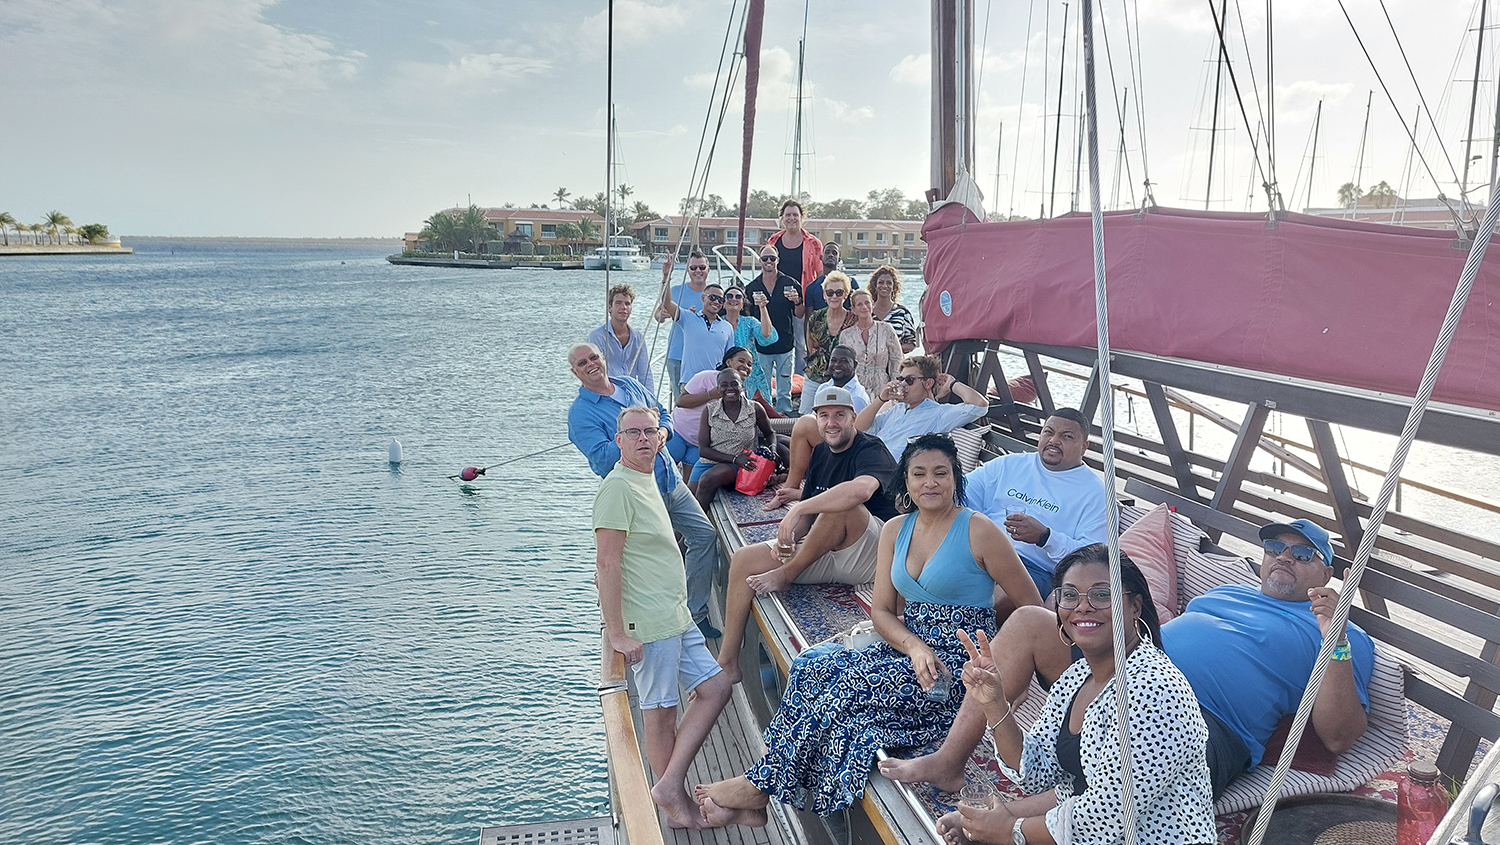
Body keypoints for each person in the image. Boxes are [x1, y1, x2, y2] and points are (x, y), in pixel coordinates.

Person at [879, 518, 1376, 805]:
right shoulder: (1226, 591)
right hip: (1123, 671)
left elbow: (1338, 734)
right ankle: (949, 760)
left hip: (1199, 720)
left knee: (1123, 775)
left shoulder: (1339, 630)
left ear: (1328, 572)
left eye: (1302, 553)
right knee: (1032, 618)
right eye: (1275, 547)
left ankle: (1021, 819)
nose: (1284, 557)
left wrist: (1334, 638)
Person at [694, 435, 1043, 826]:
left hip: (956, 665)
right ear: (905, 482)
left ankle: (757, 789)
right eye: (919, 474)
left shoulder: (979, 531)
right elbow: (881, 611)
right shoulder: (895, 530)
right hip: (908, 645)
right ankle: (761, 789)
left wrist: (994, 652)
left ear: (955, 478)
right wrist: (913, 646)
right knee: (812, 667)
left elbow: (1032, 607)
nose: (930, 483)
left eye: (940, 473)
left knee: (843, 696)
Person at [942, 545, 1216, 845]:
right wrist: (995, 704)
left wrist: (1011, 830)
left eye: (1101, 595)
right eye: (1070, 595)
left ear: (1135, 606)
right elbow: (1037, 772)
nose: (1082, 607)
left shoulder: (1154, 690)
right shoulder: (1077, 677)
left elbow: (1108, 815)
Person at [593, 405, 732, 829]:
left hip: (674, 614)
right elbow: (607, 564)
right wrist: (616, 633)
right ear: (618, 441)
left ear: (659, 437)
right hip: (649, 624)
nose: (642, 438)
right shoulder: (616, 488)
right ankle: (672, 804)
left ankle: (669, 783)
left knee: (716, 686)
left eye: (649, 431)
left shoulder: (646, 478)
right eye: (631, 432)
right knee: (660, 711)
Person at [715, 385, 898, 683]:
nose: (831, 422)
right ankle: (728, 663)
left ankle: (788, 573)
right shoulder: (822, 453)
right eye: (823, 416)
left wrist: (797, 508)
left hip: (874, 554)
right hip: (829, 549)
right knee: (745, 559)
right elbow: (810, 517)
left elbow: (860, 491)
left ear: (853, 417)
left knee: (843, 507)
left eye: (839, 415)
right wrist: (789, 538)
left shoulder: (871, 448)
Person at [566, 341, 724, 640]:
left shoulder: (628, 385)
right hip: (639, 494)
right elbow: (600, 458)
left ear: (603, 358)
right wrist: (639, 438)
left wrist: (661, 432)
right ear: (575, 372)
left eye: (593, 357)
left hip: (670, 481)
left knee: (704, 535)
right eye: (582, 363)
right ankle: (652, 624)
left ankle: (694, 613)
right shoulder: (581, 414)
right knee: (653, 559)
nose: (591, 365)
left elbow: (664, 414)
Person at [964, 409, 1109, 601]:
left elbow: (1092, 558)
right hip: (981, 551)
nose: (1054, 440)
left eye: (1066, 436)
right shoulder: (1009, 465)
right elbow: (960, 494)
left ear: (1084, 447)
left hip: (1033, 569)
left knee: (988, 599)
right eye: (1048, 432)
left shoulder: (1096, 493)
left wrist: (1045, 537)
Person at [856, 355, 989, 460]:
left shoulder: (939, 414)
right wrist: (880, 399)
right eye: (900, 379)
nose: (903, 384)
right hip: (866, 462)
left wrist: (952, 384)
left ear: (928, 383)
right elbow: (859, 427)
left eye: (909, 380)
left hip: (887, 475)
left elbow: (979, 405)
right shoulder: (898, 409)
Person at [780, 345, 870, 493]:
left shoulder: (857, 397)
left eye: (843, 361)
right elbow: (818, 421)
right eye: (833, 360)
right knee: (781, 441)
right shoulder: (824, 388)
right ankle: (800, 485)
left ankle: (791, 487)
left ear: (854, 365)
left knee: (803, 425)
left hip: (848, 447)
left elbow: (854, 435)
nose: (837, 365)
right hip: (827, 439)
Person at [691, 368, 775, 510]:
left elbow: (770, 433)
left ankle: (699, 529)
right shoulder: (709, 410)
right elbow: (703, 450)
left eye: (734, 384)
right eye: (724, 385)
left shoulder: (754, 408)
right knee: (689, 500)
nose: (729, 388)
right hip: (712, 460)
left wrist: (772, 450)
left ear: (742, 386)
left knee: (707, 480)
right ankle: (683, 531)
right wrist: (734, 458)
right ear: (718, 388)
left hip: (741, 462)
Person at [670, 346, 756, 470]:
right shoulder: (706, 377)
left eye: (749, 364)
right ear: (728, 362)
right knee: (661, 474)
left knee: (690, 486)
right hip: (678, 432)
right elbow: (681, 401)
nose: (746, 367)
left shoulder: (740, 394)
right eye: (741, 361)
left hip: (699, 445)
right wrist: (710, 395)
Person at [765, 199, 824, 378]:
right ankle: (775, 378)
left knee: (802, 341)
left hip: (802, 300)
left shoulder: (813, 243)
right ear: (782, 217)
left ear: (801, 218)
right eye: (788, 214)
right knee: (774, 337)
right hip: (777, 299)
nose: (791, 218)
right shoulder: (773, 241)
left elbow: (820, 276)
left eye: (795, 215)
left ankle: (800, 379)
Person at [744, 245, 805, 413]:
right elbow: (746, 317)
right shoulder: (751, 288)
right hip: (761, 346)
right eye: (765, 259)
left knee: (784, 386)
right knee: (762, 384)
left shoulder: (790, 284)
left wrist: (797, 302)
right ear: (760, 261)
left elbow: (799, 314)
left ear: (778, 260)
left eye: (772, 258)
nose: (769, 261)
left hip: (785, 344)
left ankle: (784, 414)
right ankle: (765, 414)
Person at [659, 270, 732, 393]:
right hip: (689, 383)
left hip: (715, 384)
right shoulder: (688, 318)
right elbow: (667, 303)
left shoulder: (727, 327)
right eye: (712, 297)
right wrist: (666, 276)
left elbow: (729, 358)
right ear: (703, 298)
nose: (716, 302)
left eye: (720, 300)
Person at [655, 249, 711, 400]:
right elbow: (658, 314)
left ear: (708, 269)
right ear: (688, 270)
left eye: (701, 267)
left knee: (707, 399)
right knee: (680, 401)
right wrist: (663, 315)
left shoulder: (714, 296)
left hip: (704, 356)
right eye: (693, 268)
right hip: (677, 354)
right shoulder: (675, 291)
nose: (698, 271)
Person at [800, 271, 857, 413]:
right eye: (830, 292)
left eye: (839, 292)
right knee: (806, 415)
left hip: (843, 378)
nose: (834, 296)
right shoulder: (816, 316)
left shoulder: (853, 319)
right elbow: (810, 345)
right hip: (815, 374)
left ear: (846, 294)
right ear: (824, 295)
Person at [720, 282, 778, 405]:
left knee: (759, 410)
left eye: (738, 297)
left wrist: (763, 307)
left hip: (750, 374)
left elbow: (767, 335)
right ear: (723, 303)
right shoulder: (717, 323)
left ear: (742, 304)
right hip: (725, 374)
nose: (734, 299)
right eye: (729, 296)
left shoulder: (749, 322)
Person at [587, 284, 652, 391]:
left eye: (627, 304)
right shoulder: (597, 336)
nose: (623, 307)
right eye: (618, 303)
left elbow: (645, 374)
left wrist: (650, 402)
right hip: (607, 393)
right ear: (610, 307)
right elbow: (593, 372)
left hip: (631, 392)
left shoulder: (638, 338)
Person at [840, 289, 903, 396]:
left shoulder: (886, 329)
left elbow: (897, 359)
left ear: (872, 305)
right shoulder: (846, 335)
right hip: (856, 388)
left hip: (882, 387)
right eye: (859, 304)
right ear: (854, 310)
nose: (864, 307)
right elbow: (843, 365)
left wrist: (895, 385)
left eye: (867, 302)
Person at [869, 264, 920, 354]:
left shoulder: (902, 313)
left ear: (894, 287)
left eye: (889, 283)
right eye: (881, 282)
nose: (885, 286)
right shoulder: (867, 312)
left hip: (895, 364)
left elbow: (912, 343)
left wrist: (892, 348)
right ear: (875, 285)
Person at [805, 240, 860, 311]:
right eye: (827, 252)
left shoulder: (851, 283)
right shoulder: (811, 287)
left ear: (839, 259)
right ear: (821, 257)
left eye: (834, 253)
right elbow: (808, 318)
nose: (830, 255)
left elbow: (858, 307)